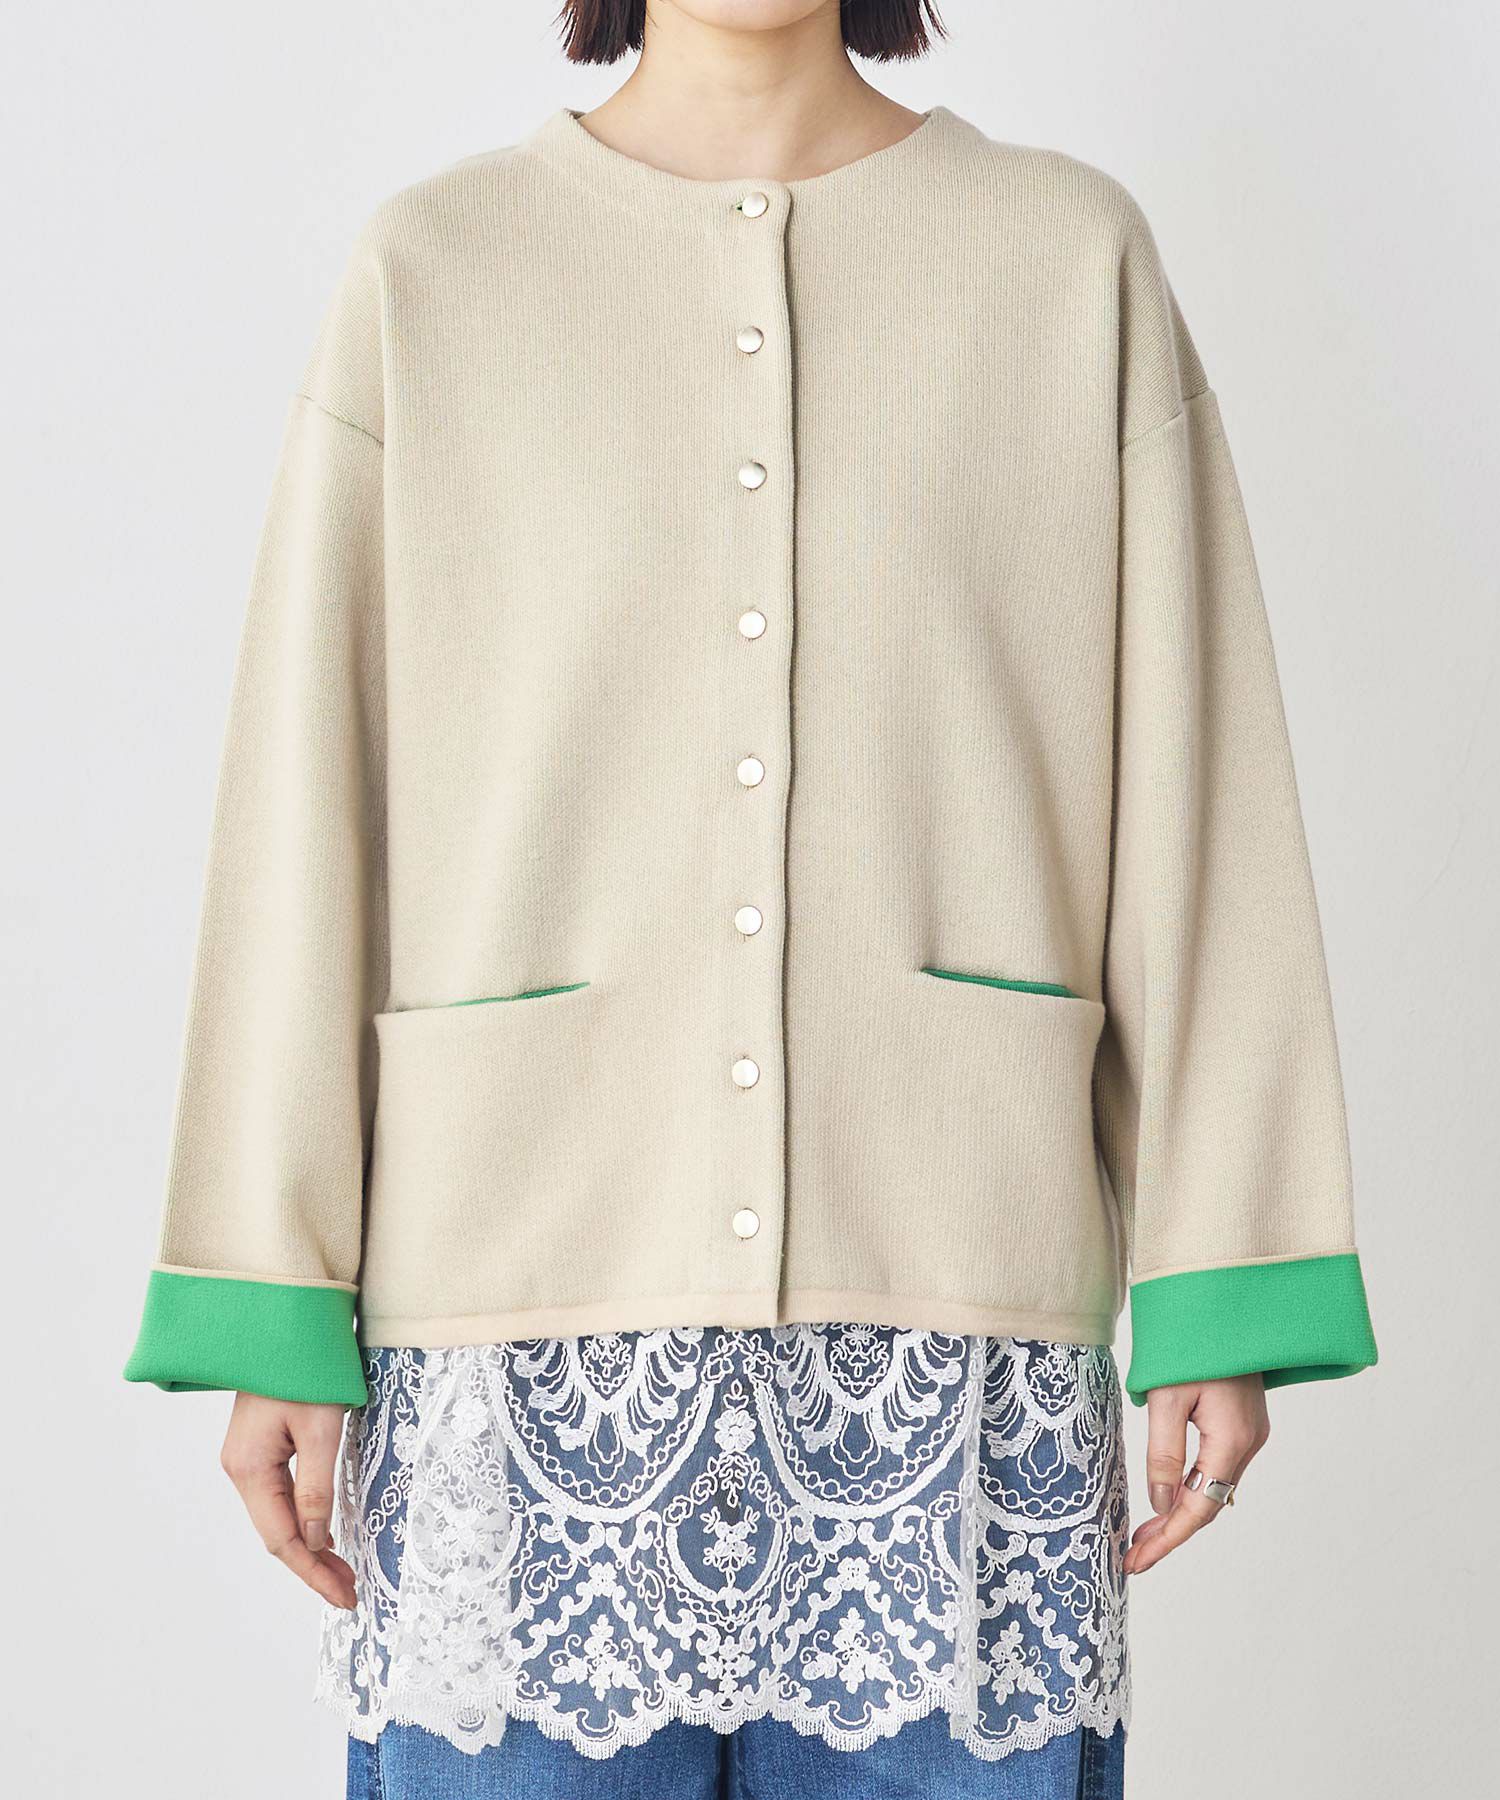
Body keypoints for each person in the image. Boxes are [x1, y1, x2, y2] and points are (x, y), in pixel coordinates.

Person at [124, 3, 1378, 1795]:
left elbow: (1196, 781)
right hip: (516, 1349)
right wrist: (275, 1281)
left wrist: (1223, 1270)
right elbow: (313, 792)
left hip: (953, 1351)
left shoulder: (1066, 259)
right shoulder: (437, 269)